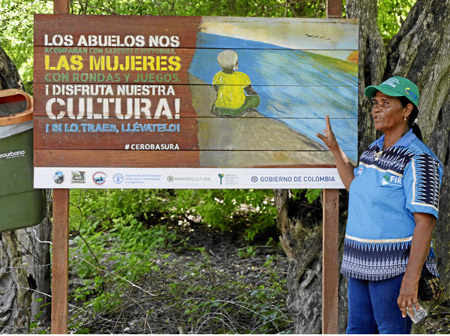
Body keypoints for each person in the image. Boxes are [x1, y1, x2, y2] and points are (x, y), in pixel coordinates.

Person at [316, 76, 443, 334]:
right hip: (359, 263)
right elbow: (356, 188)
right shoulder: (372, 150)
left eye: (385, 103)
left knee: (391, 331)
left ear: (407, 110)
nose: (376, 108)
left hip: (394, 268)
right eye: (375, 102)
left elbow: (424, 223)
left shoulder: (420, 160)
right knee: (357, 329)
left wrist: (410, 281)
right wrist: (335, 149)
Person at [212, 50, 260, 117]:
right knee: (255, 98)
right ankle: (248, 109)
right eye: (237, 61)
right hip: (235, 110)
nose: (238, 63)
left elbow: (216, 89)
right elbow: (250, 92)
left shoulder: (217, 76)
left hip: (218, 109)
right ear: (235, 63)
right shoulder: (242, 76)